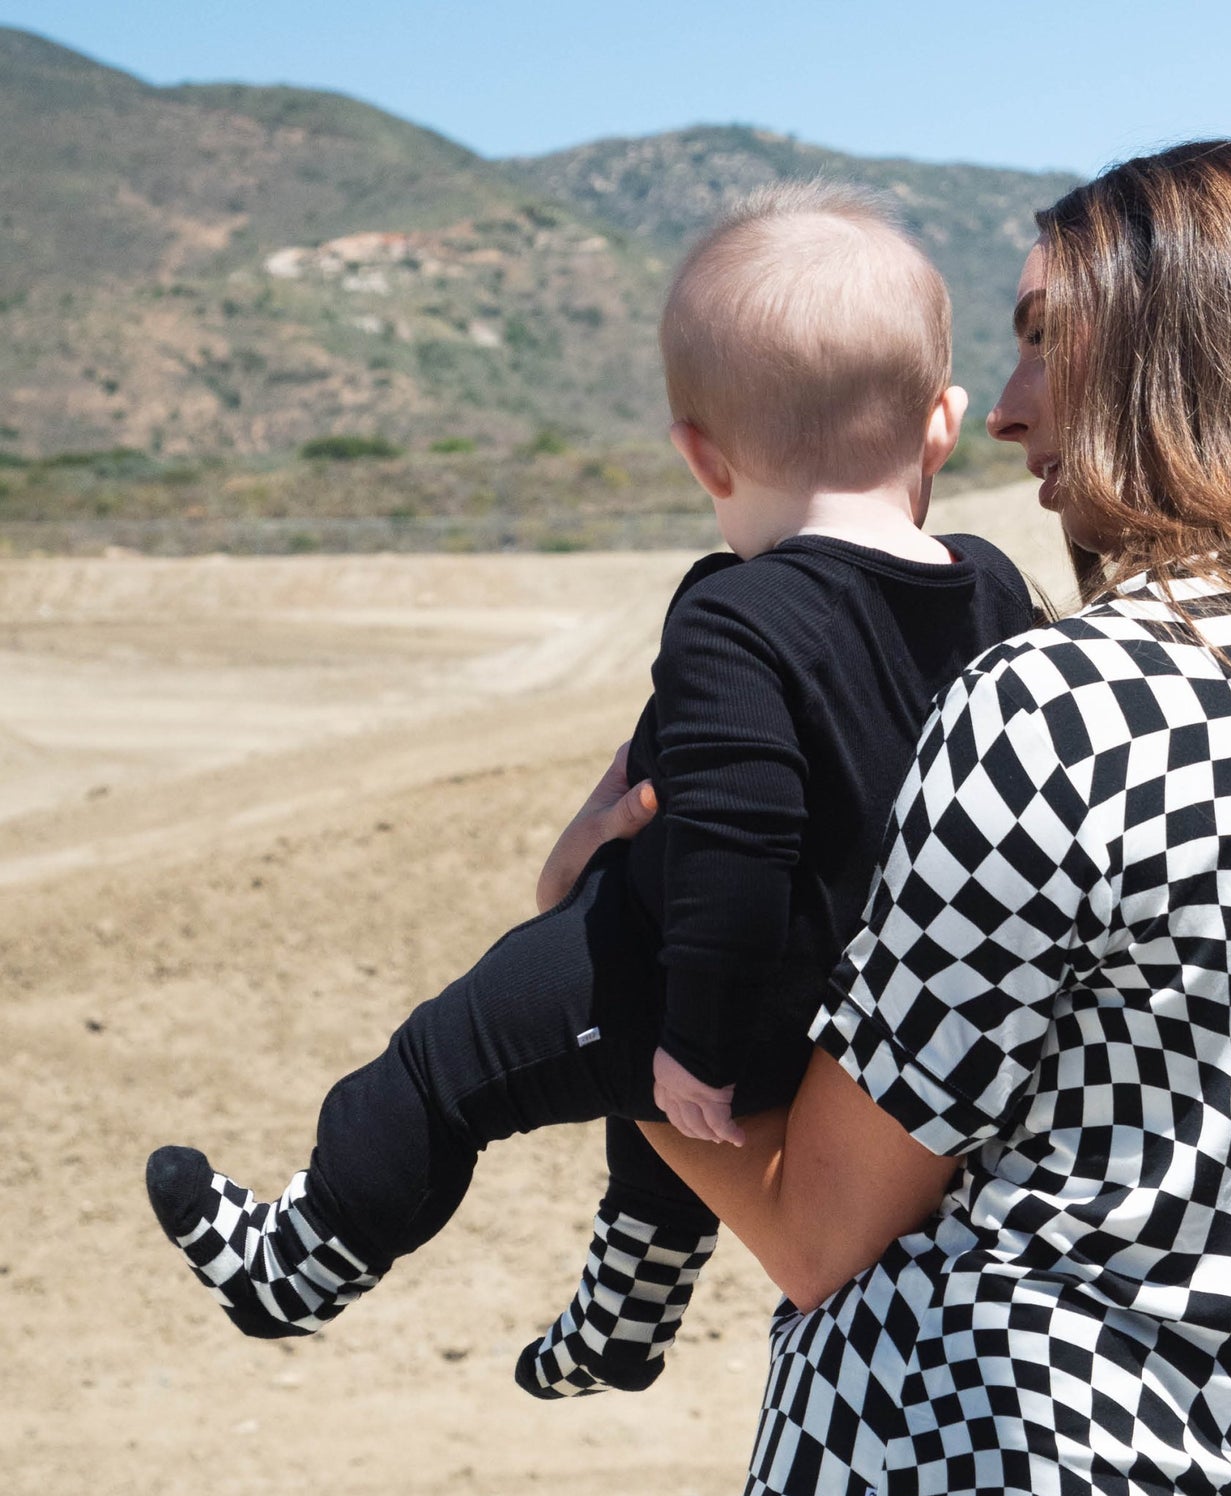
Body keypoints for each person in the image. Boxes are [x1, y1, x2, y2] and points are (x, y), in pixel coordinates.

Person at [634, 141, 1231, 1496]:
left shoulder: (1065, 705)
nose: (1005, 411)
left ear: (1186, 360)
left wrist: (601, 977)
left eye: (1047, 340)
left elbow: (817, 1229)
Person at [141, 182, 1038, 1401]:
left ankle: (298, 1262)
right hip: (876, 1012)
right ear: (940, 425)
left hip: (737, 994)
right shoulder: (990, 586)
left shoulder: (732, 612)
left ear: (700, 454)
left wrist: (701, 1042)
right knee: (641, 1063)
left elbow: (739, 838)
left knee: (440, 1063)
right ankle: (626, 1314)